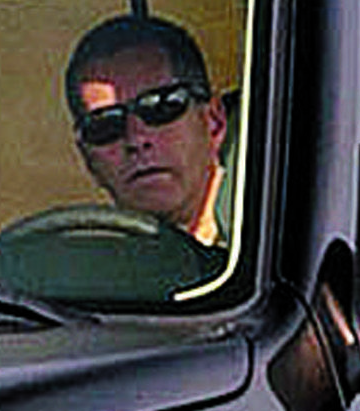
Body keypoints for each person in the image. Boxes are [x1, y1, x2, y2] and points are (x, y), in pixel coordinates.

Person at [62, 14, 233, 245]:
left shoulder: (271, 229)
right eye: (105, 125)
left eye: (160, 107)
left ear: (214, 121)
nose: (136, 139)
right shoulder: (90, 268)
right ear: (87, 159)